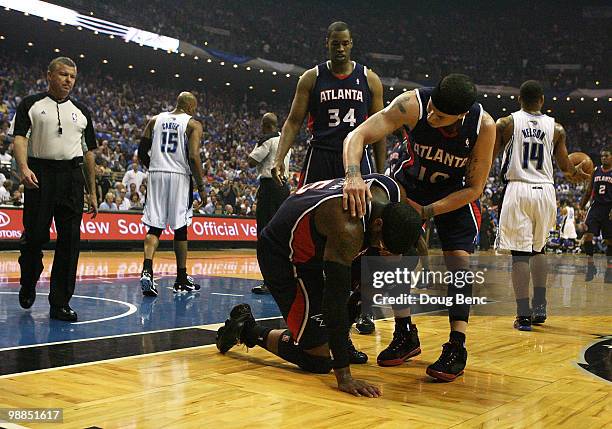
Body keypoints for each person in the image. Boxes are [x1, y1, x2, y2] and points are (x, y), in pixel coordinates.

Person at [343, 74, 494, 381]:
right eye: (432, 109)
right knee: (394, 257)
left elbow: (475, 188)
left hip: (452, 194)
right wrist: (353, 174)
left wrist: (426, 212)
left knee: (459, 262)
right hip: (409, 183)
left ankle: (457, 344)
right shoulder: (411, 105)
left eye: (440, 116)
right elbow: (357, 135)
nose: (432, 116)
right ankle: (404, 333)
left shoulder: (484, 126)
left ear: (462, 115)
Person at [216, 173, 422, 397]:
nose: (384, 251)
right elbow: (334, 302)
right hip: (285, 256)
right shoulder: (348, 227)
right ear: (378, 224)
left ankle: (341, 339)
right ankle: (247, 329)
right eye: (383, 245)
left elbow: (409, 242)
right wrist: (344, 376)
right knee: (319, 358)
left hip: (319, 243)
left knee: (396, 263)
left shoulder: (392, 190)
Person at [494, 80, 588, 330]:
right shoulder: (556, 128)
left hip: (519, 187)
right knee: (539, 250)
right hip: (546, 190)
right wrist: (576, 171)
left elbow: (489, 156)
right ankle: (540, 304)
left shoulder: (507, 123)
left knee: (520, 255)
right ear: (542, 100)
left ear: (519, 100)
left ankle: (523, 315)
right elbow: (566, 169)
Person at [11, 56, 98, 322]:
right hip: (40, 174)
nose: (68, 80)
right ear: (49, 75)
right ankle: (28, 281)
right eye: (62, 74)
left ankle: (60, 302)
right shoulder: (31, 104)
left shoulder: (83, 111)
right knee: (35, 236)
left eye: (72, 76)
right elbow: (19, 139)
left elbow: (89, 154)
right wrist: (24, 169)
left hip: (72, 177)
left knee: (70, 242)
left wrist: (92, 191)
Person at [271, 21, 386, 189]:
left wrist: (380, 173)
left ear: (351, 43)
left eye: (345, 43)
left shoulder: (370, 79)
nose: (340, 48)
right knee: (305, 208)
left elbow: (379, 128)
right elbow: (293, 122)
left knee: (362, 211)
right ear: (327, 44)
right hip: (320, 153)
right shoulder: (311, 78)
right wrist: (278, 158)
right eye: (335, 44)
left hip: (356, 155)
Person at [137, 92, 206, 296]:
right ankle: (181, 278)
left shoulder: (154, 120)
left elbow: (141, 152)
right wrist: (201, 187)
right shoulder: (193, 124)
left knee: (155, 225)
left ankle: (147, 270)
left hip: (156, 174)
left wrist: (155, 167)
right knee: (181, 227)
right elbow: (193, 156)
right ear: (191, 107)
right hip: (179, 176)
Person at [248, 112, 291, 295]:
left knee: (265, 235)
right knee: (281, 234)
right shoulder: (284, 140)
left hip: (269, 187)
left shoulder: (268, 139)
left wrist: (258, 143)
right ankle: (285, 277)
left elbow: (251, 161)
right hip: (284, 188)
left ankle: (269, 281)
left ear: (265, 125)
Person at [580, 146, 612, 283]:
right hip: (595, 207)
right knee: (587, 236)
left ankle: (609, 270)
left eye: (606, 156)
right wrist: (581, 206)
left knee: (609, 240)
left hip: (609, 209)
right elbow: (589, 190)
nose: (603, 158)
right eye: (602, 156)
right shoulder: (596, 171)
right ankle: (590, 266)